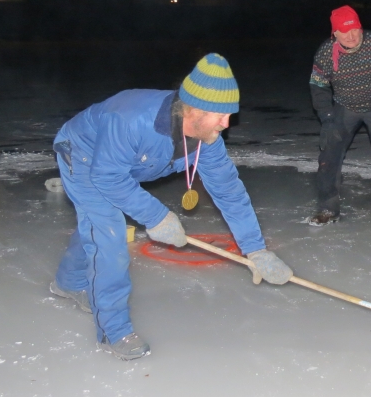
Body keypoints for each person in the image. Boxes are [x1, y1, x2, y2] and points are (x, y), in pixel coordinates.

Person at [49, 53, 293, 360]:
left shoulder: (208, 138)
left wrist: (256, 249)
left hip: (123, 165)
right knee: (108, 236)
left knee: (96, 229)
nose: (227, 123)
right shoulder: (131, 120)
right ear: (193, 109)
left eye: (230, 114)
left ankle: (68, 283)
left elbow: (229, 191)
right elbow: (107, 176)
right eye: (220, 115)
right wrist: (156, 217)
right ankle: (114, 331)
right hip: (85, 158)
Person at [308, 5, 371, 226]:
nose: (352, 35)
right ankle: (328, 208)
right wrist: (327, 117)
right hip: (345, 106)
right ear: (335, 33)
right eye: (345, 31)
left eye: (356, 29)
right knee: (329, 155)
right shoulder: (326, 53)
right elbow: (318, 87)